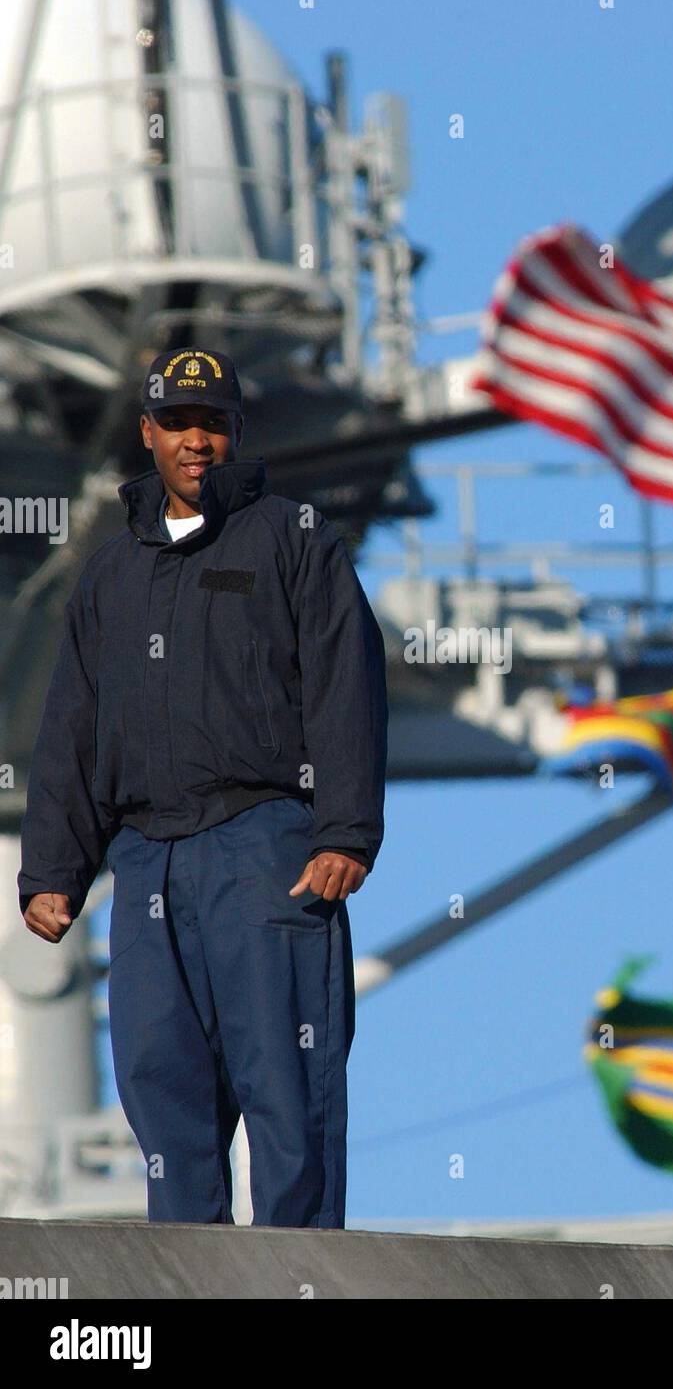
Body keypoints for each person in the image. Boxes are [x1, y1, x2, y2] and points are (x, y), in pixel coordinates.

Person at [17, 346, 388, 1228]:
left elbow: (346, 685)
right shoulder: (111, 573)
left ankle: (303, 1287)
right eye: (178, 424)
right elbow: (72, 726)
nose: (196, 441)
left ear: (234, 432)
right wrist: (53, 870)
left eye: (213, 423)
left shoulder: (293, 539)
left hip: (265, 847)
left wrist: (345, 832)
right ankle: (190, 1293)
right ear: (147, 433)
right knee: (161, 1086)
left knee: (286, 1089)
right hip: (147, 863)